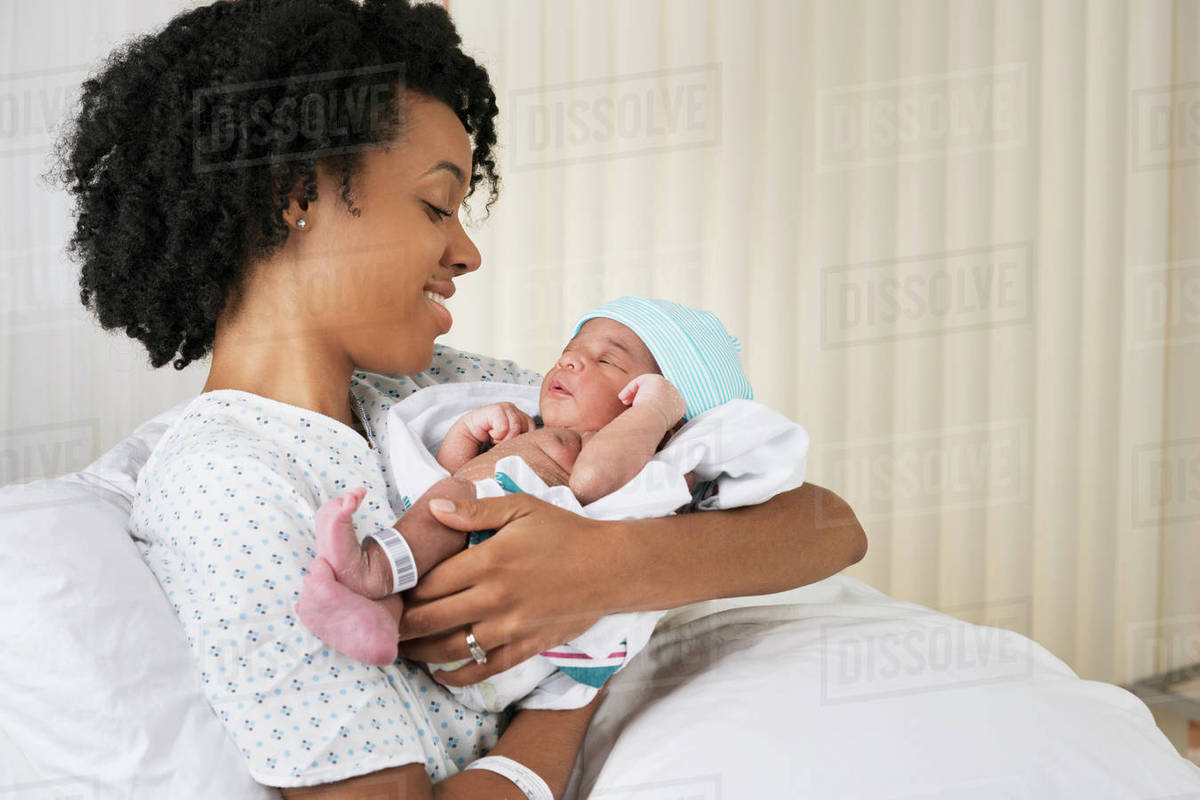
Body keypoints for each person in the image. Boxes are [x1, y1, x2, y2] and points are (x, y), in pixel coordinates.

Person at [53, 1, 867, 797]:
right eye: (437, 205)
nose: (468, 250)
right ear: (295, 193)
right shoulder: (230, 488)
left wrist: (606, 569)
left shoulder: (440, 386)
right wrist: (571, 691)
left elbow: (827, 526)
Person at [298, 296, 810, 715]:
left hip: (503, 597)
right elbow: (449, 477)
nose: (570, 360)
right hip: (460, 560)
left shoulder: (634, 460)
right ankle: (380, 613)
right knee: (452, 501)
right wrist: (466, 435)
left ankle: (371, 568)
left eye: (607, 360)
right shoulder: (539, 428)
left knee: (455, 505)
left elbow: (589, 484)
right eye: (571, 349)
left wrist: (653, 414)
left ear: (663, 411)